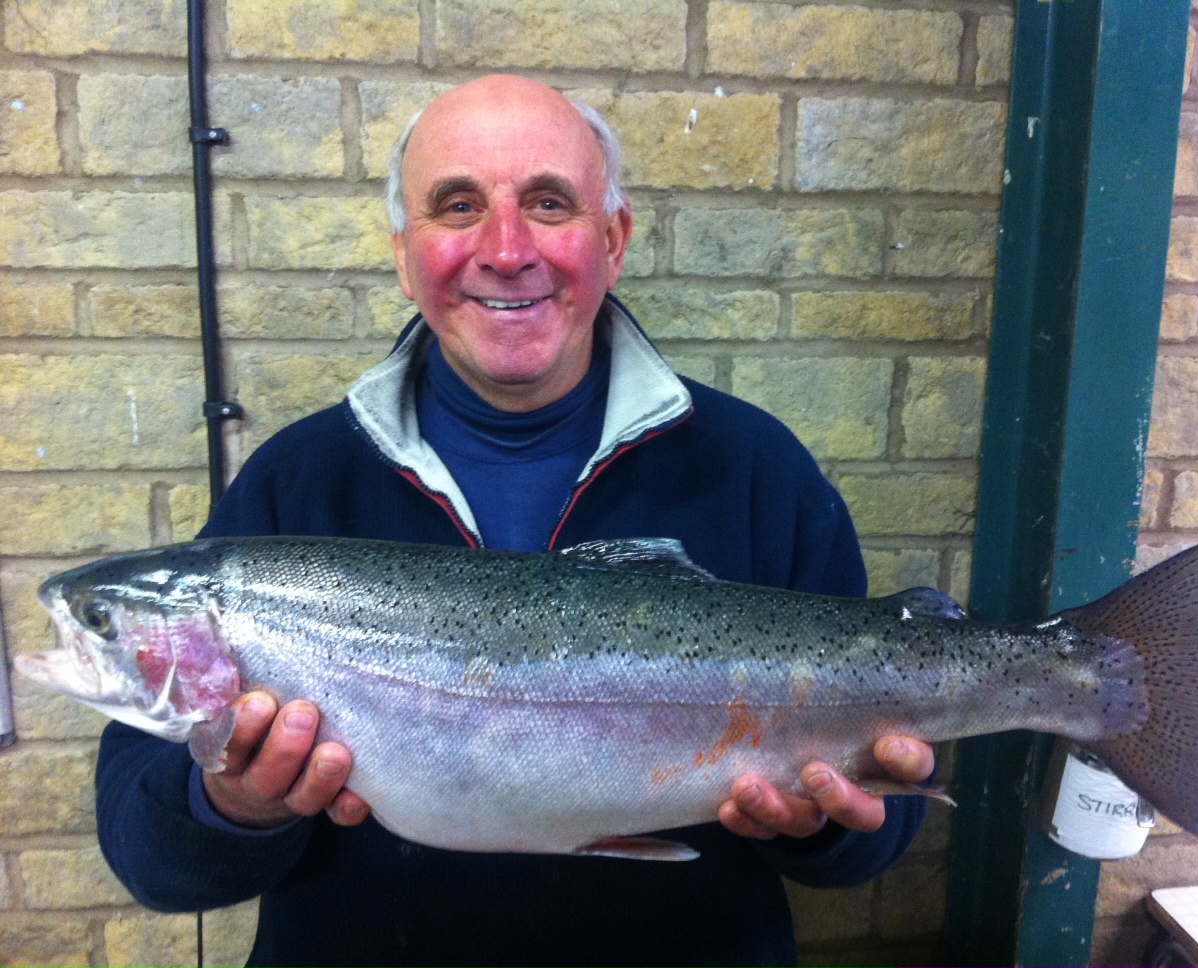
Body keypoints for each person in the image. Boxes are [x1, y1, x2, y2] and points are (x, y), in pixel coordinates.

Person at [96, 75, 935, 967]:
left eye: (548, 202)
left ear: (611, 240)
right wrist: (234, 807)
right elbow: (153, 863)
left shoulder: (756, 468)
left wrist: (827, 827)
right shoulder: (293, 487)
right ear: (404, 250)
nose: (506, 248)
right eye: (458, 206)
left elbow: (882, 827)